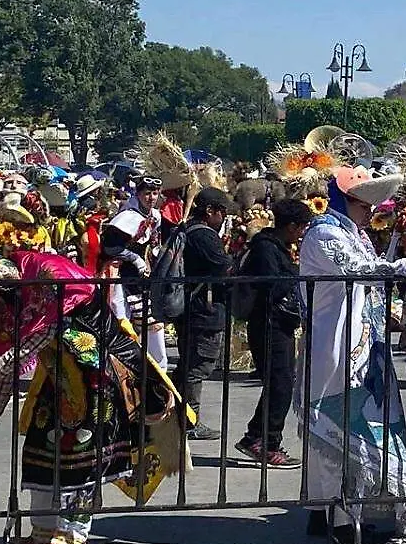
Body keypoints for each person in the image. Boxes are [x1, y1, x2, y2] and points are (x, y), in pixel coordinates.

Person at [0, 251, 189, 544]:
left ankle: (70, 539)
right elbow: (7, 359)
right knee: (40, 454)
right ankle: (42, 531)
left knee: (80, 462)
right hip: (57, 381)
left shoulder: (50, 277)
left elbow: (36, 339)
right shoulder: (10, 302)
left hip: (94, 380)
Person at [296, 163, 406, 544]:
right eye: (364, 203)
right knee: (339, 423)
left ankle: (333, 512)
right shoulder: (323, 234)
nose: (371, 211)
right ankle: (339, 519)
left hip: (363, 340)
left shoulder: (357, 234)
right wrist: (404, 266)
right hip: (336, 344)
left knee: (359, 420)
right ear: (346, 200)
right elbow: (359, 270)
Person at [234, 198, 310, 468]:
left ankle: (256, 436)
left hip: (280, 324)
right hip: (269, 323)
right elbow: (271, 287)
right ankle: (265, 442)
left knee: (280, 383)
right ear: (290, 226)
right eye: (301, 227)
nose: (302, 233)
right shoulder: (266, 249)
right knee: (279, 384)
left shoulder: (277, 247)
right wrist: (298, 276)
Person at [174, 187, 234, 441]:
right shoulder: (203, 235)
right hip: (203, 309)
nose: (223, 218)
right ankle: (188, 421)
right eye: (222, 212)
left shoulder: (189, 230)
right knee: (198, 366)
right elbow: (225, 267)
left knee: (190, 365)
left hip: (194, 308)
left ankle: (175, 414)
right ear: (209, 211)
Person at [101, 175, 166, 369]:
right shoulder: (127, 217)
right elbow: (109, 246)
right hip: (121, 275)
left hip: (142, 277)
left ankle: (158, 368)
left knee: (152, 323)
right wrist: (134, 258)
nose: (151, 198)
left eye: (155, 193)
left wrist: (154, 255)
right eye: (147, 193)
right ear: (138, 194)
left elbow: (154, 241)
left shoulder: (155, 215)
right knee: (122, 321)